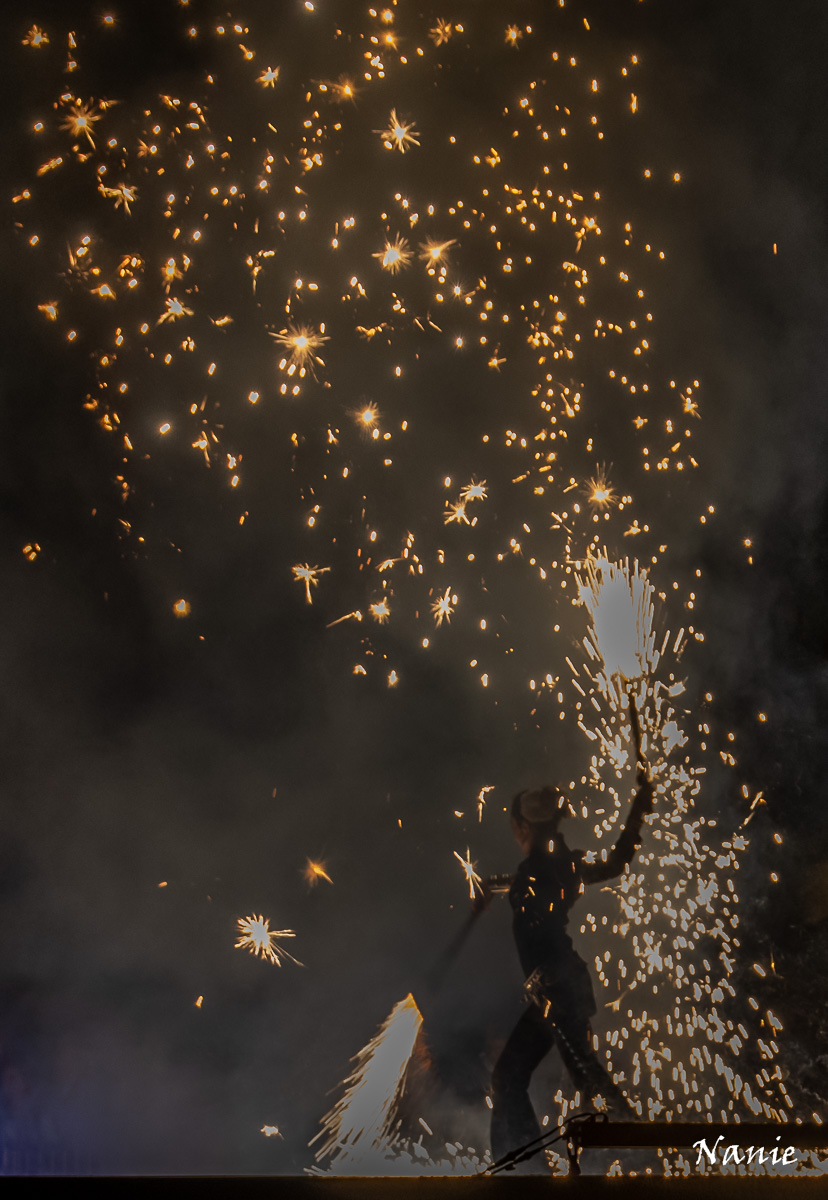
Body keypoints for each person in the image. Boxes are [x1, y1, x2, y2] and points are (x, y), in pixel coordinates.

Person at [474, 769, 654, 1167]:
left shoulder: (541, 869)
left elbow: (532, 881)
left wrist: (641, 806)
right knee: (522, 1077)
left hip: (559, 991)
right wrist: (491, 885)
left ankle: (647, 1155)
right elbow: (614, 863)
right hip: (555, 990)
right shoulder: (560, 865)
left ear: (523, 826)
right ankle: (521, 1169)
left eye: (514, 824)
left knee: (587, 1083)